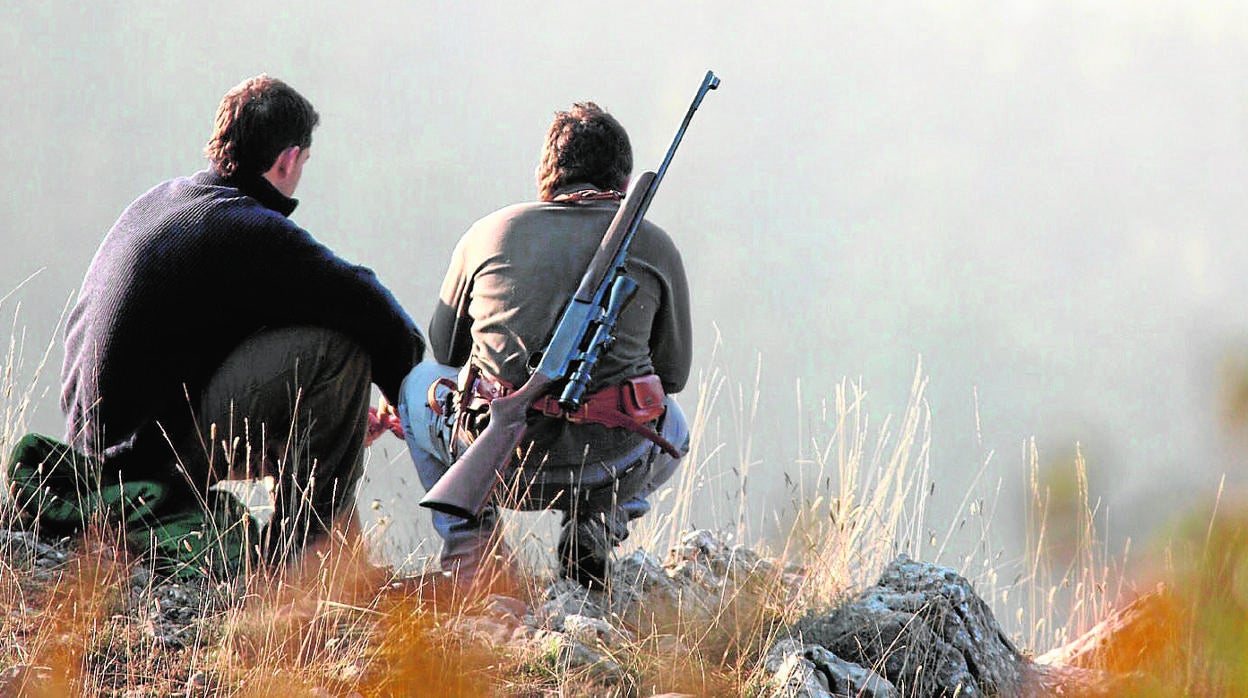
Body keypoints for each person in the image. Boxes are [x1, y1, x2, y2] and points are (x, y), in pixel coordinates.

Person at [50, 74, 423, 574]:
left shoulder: (166, 200)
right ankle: (308, 571)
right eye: (303, 163)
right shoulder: (246, 228)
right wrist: (412, 396)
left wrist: (341, 418)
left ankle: (342, 558)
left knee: (315, 368)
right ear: (288, 158)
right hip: (140, 459)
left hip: (99, 445)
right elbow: (367, 303)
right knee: (338, 353)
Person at [397, 102, 692, 589]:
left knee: (417, 385)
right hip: (611, 466)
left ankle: (472, 554)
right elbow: (673, 375)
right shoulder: (655, 244)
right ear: (620, 183)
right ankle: (594, 532)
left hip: (500, 462)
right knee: (674, 426)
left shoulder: (486, 234)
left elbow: (445, 352)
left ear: (546, 175)